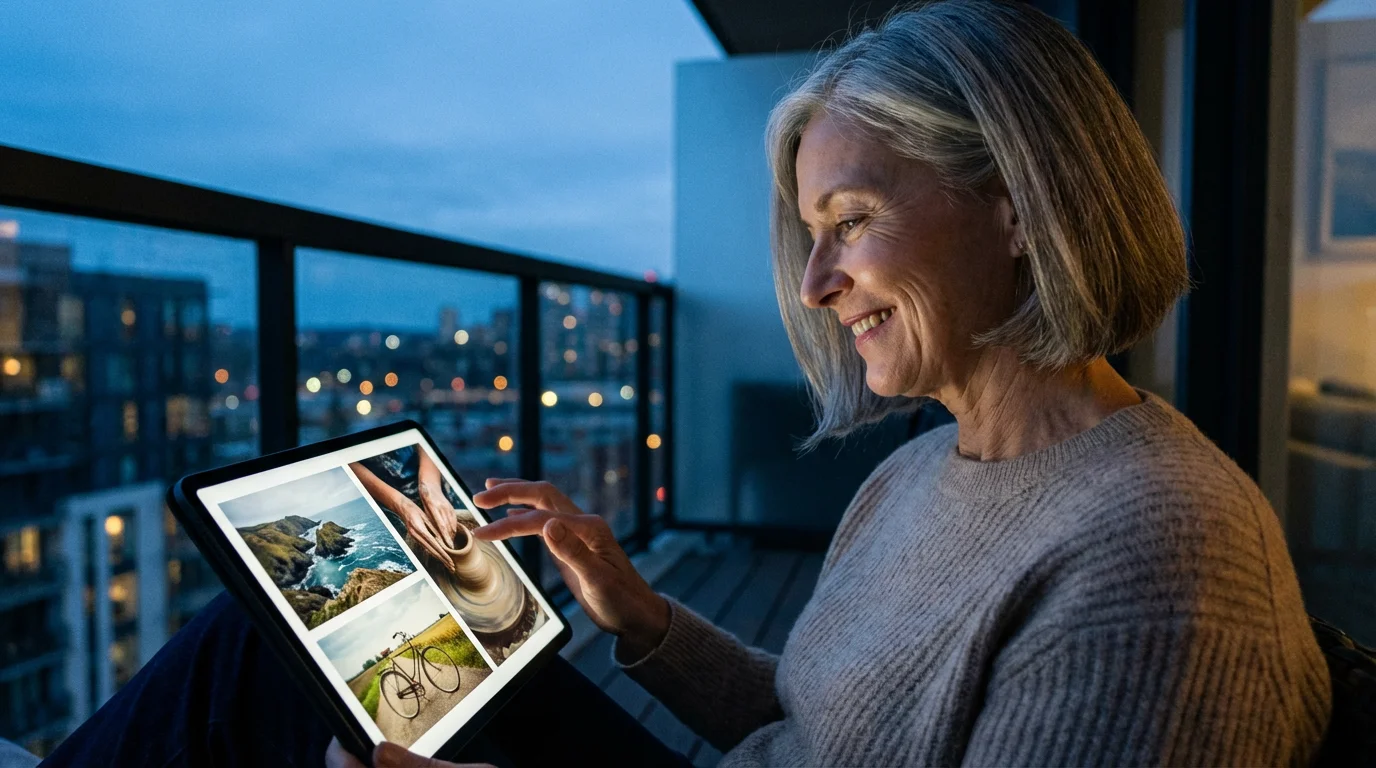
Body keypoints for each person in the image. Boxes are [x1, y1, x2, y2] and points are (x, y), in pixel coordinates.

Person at [39, 0, 1331, 765]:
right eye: (808, 235)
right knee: (266, 645)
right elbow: (807, 711)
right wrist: (637, 611)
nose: (816, 285)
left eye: (852, 216)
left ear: (1016, 207)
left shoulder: (1155, 560)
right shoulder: (932, 466)